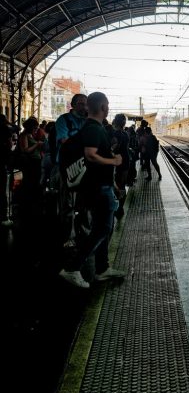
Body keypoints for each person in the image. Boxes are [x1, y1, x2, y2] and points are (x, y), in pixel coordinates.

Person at [59, 92, 125, 289]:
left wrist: (114, 185)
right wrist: (114, 161)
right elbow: (91, 155)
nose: (108, 108)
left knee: (103, 228)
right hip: (97, 188)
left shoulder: (94, 128)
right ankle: (72, 268)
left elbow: (96, 158)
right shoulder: (94, 128)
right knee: (102, 228)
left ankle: (102, 268)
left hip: (101, 186)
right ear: (103, 107)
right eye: (107, 105)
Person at [53, 94, 88, 246]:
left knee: (85, 202)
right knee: (67, 203)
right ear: (72, 105)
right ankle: (68, 236)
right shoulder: (64, 120)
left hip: (84, 166)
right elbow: (64, 140)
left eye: (86, 104)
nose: (84, 107)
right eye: (80, 104)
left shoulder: (87, 121)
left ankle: (84, 232)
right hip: (66, 167)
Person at [110, 113, 130, 218]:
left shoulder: (115, 134)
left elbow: (114, 148)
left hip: (117, 161)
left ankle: (118, 208)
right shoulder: (125, 133)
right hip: (126, 160)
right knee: (122, 185)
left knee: (116, 185)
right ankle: (120, 208)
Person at [0, 114, 13, 226]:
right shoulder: (5, 129)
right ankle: (4, 217)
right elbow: (9, 143)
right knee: (2, 189)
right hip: (2, 161)